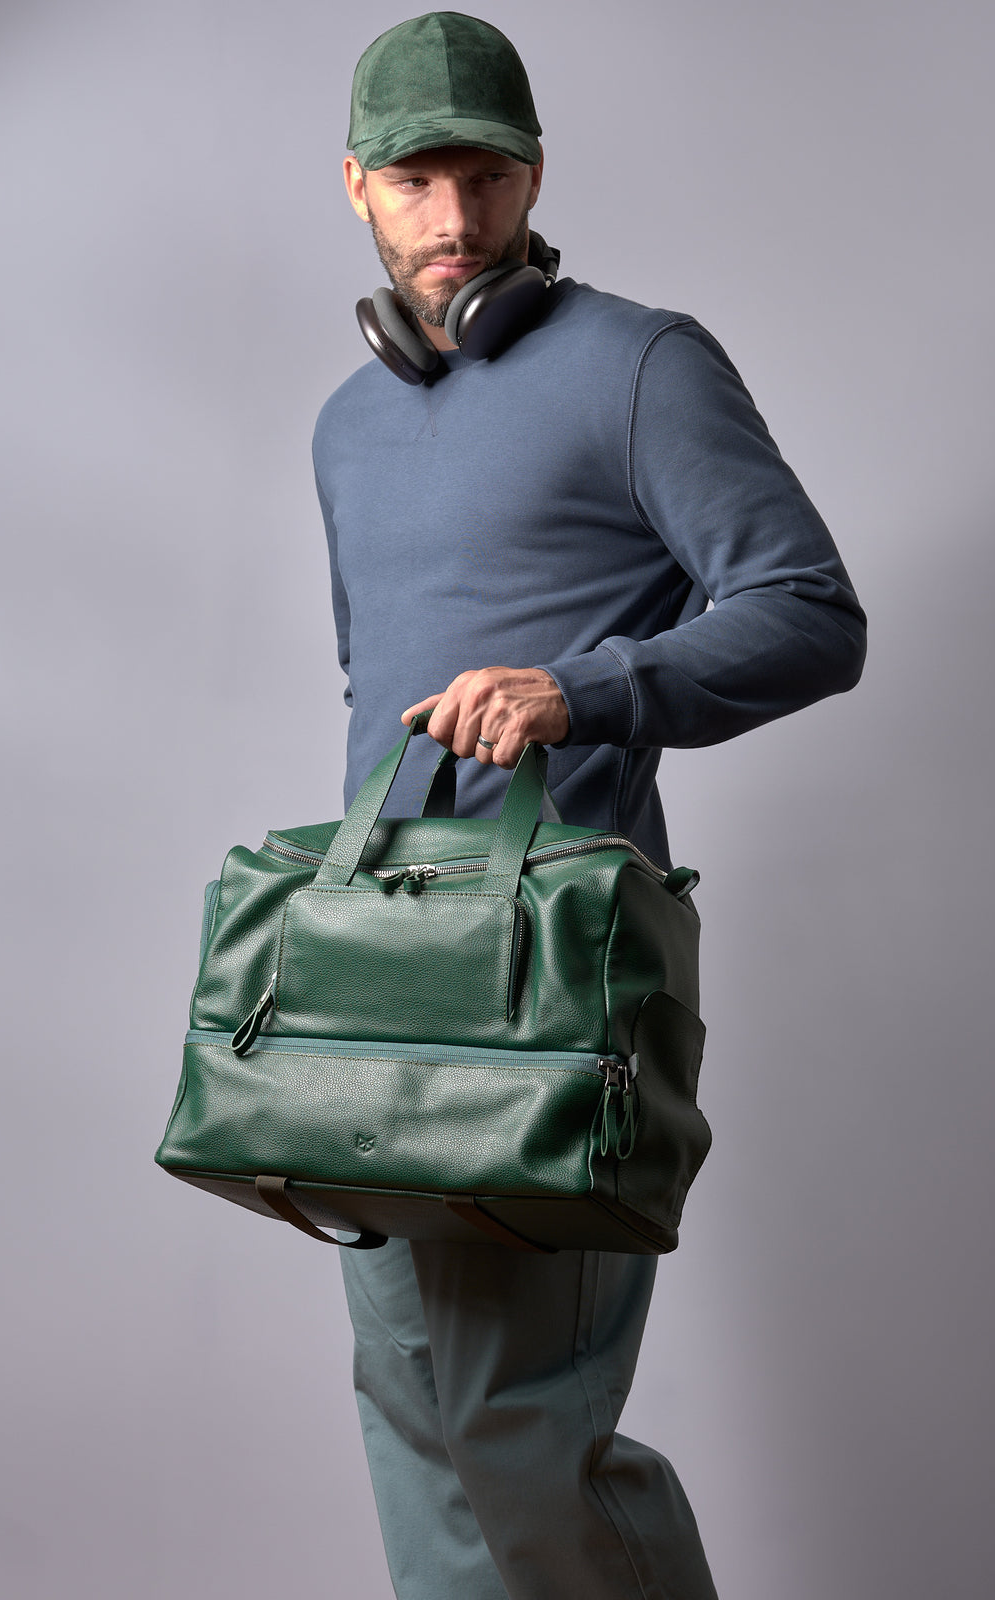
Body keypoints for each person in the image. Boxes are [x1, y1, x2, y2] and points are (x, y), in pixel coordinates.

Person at [312, 14, 866, 1598]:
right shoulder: (346, 425)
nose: (454, 216)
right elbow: (370, 688)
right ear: (355, 185)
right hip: (379, 974)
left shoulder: (640, 365)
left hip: (555, 978)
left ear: (536, 175)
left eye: (486, 175)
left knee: (518, 1430)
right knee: (415, 1414)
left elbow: (813, 616)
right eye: (416, 179)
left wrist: (585, 687)